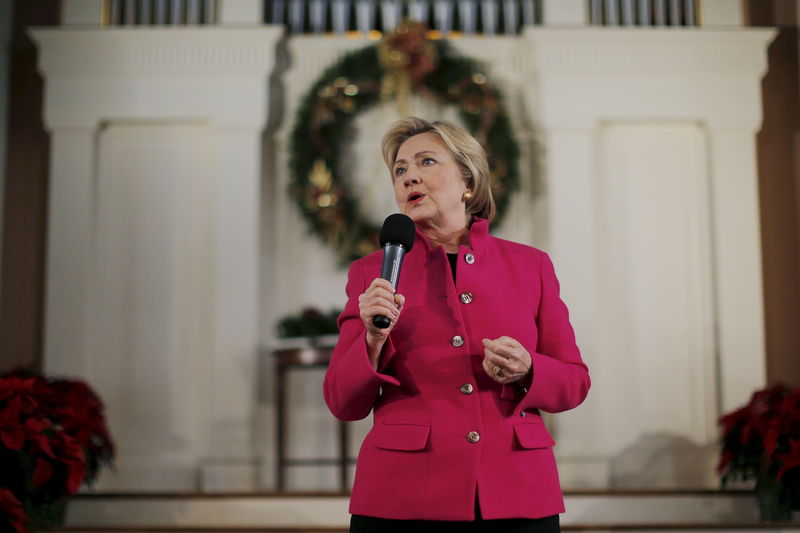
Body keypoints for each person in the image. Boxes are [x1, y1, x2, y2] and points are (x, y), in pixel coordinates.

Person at [323, 117, 590, 533]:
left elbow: (574, 382)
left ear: (468, 178)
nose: (409, 175)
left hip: (515, 493)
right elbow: (343, 401)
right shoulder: (371, 272)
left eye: (426, 161)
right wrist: (372, 340)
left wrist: (529, 370)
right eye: (399, 169)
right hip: (402, 495)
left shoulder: (529, 265)